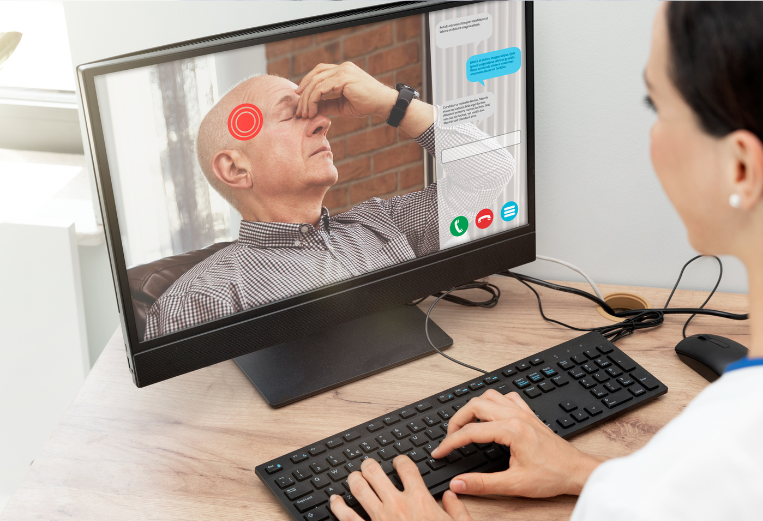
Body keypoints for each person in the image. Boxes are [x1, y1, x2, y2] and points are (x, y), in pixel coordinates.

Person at [325, 3, 763, 521]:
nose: (651, 133)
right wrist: (590, 474)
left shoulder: (689, 490)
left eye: (655, 102)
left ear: (741, 169)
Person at [143, 63, 515, 340]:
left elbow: (492, 171)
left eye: (316, 112)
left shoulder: (385, 224)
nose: (324, 123)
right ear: (235, 168)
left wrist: (392, 104)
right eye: (292, 113)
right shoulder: (199, 301)